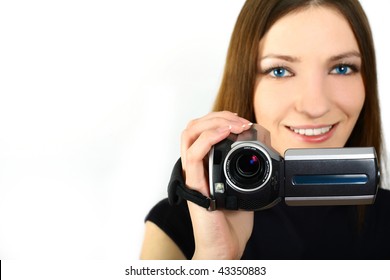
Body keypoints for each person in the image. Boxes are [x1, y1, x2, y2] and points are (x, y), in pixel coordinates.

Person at [140, 0, 390, 259]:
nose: (315, 106)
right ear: (245, 82)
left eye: (342, 68)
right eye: (280, 71)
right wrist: (215, 260)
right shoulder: (174, 227)